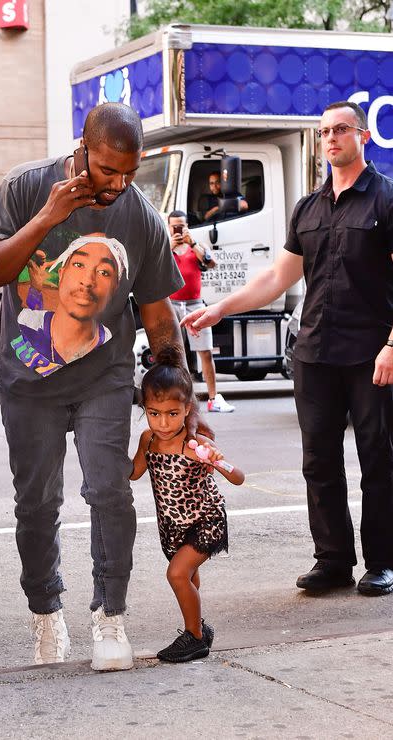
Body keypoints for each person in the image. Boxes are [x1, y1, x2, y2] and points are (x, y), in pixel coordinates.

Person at [0, 102, 211, 671]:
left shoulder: (143, 218)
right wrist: (47, 219)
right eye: (106, 170)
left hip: (105, 375)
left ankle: (111, 615)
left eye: (128, 172)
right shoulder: (28, 188)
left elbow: (156, 319)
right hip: (30, 380)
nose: (117, 184)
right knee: (37, 504)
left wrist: (183, 394)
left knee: (110, 492)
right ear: (82, 149)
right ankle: (47, 614)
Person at [182, 100, 393, 596]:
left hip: (371, 353)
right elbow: (278, 277)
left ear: (363, 136)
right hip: (315, 352)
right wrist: (220, 308)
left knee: (378, 459)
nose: (332, 138)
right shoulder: (309, 207)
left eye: (342, 129)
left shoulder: (385, 199)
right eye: (324, 132)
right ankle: (333, 561)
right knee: (318, 460)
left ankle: (382, 561)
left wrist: (391, 344)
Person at [130, 346, 244, 662]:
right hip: (172, 526)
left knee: (177, 575)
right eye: (154, 413)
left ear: (187, 410)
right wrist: (109, 458)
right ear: (145, 408)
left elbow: (239, 478)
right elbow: (135, 472)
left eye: (172, 414)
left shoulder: (194, 443)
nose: (163, 423)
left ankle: (194, 637)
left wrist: (219, 461)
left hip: (206, 520)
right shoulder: (147, 440)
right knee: (188, 578)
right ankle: (199, 628)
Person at [16, 234, 127, 367]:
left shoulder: (108, 344)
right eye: (79, 264)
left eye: (103, 272)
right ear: (61, 274)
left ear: (115, 288)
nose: (87, 281)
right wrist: (35, 288)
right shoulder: (26, 323)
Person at [168, 210, 235, 413]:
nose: (178, 230)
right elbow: (154, 267)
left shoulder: (196, 246)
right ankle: (178, 399)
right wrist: (168, 247)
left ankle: (213, 399)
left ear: (187, 226)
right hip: (172, 305)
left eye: (182, 226)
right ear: (169, 226)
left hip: (195, 305)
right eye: (174, 226)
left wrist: (193, 243)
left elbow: (211, 263)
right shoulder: (164, 248)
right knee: (175, 355)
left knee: (205, 351)